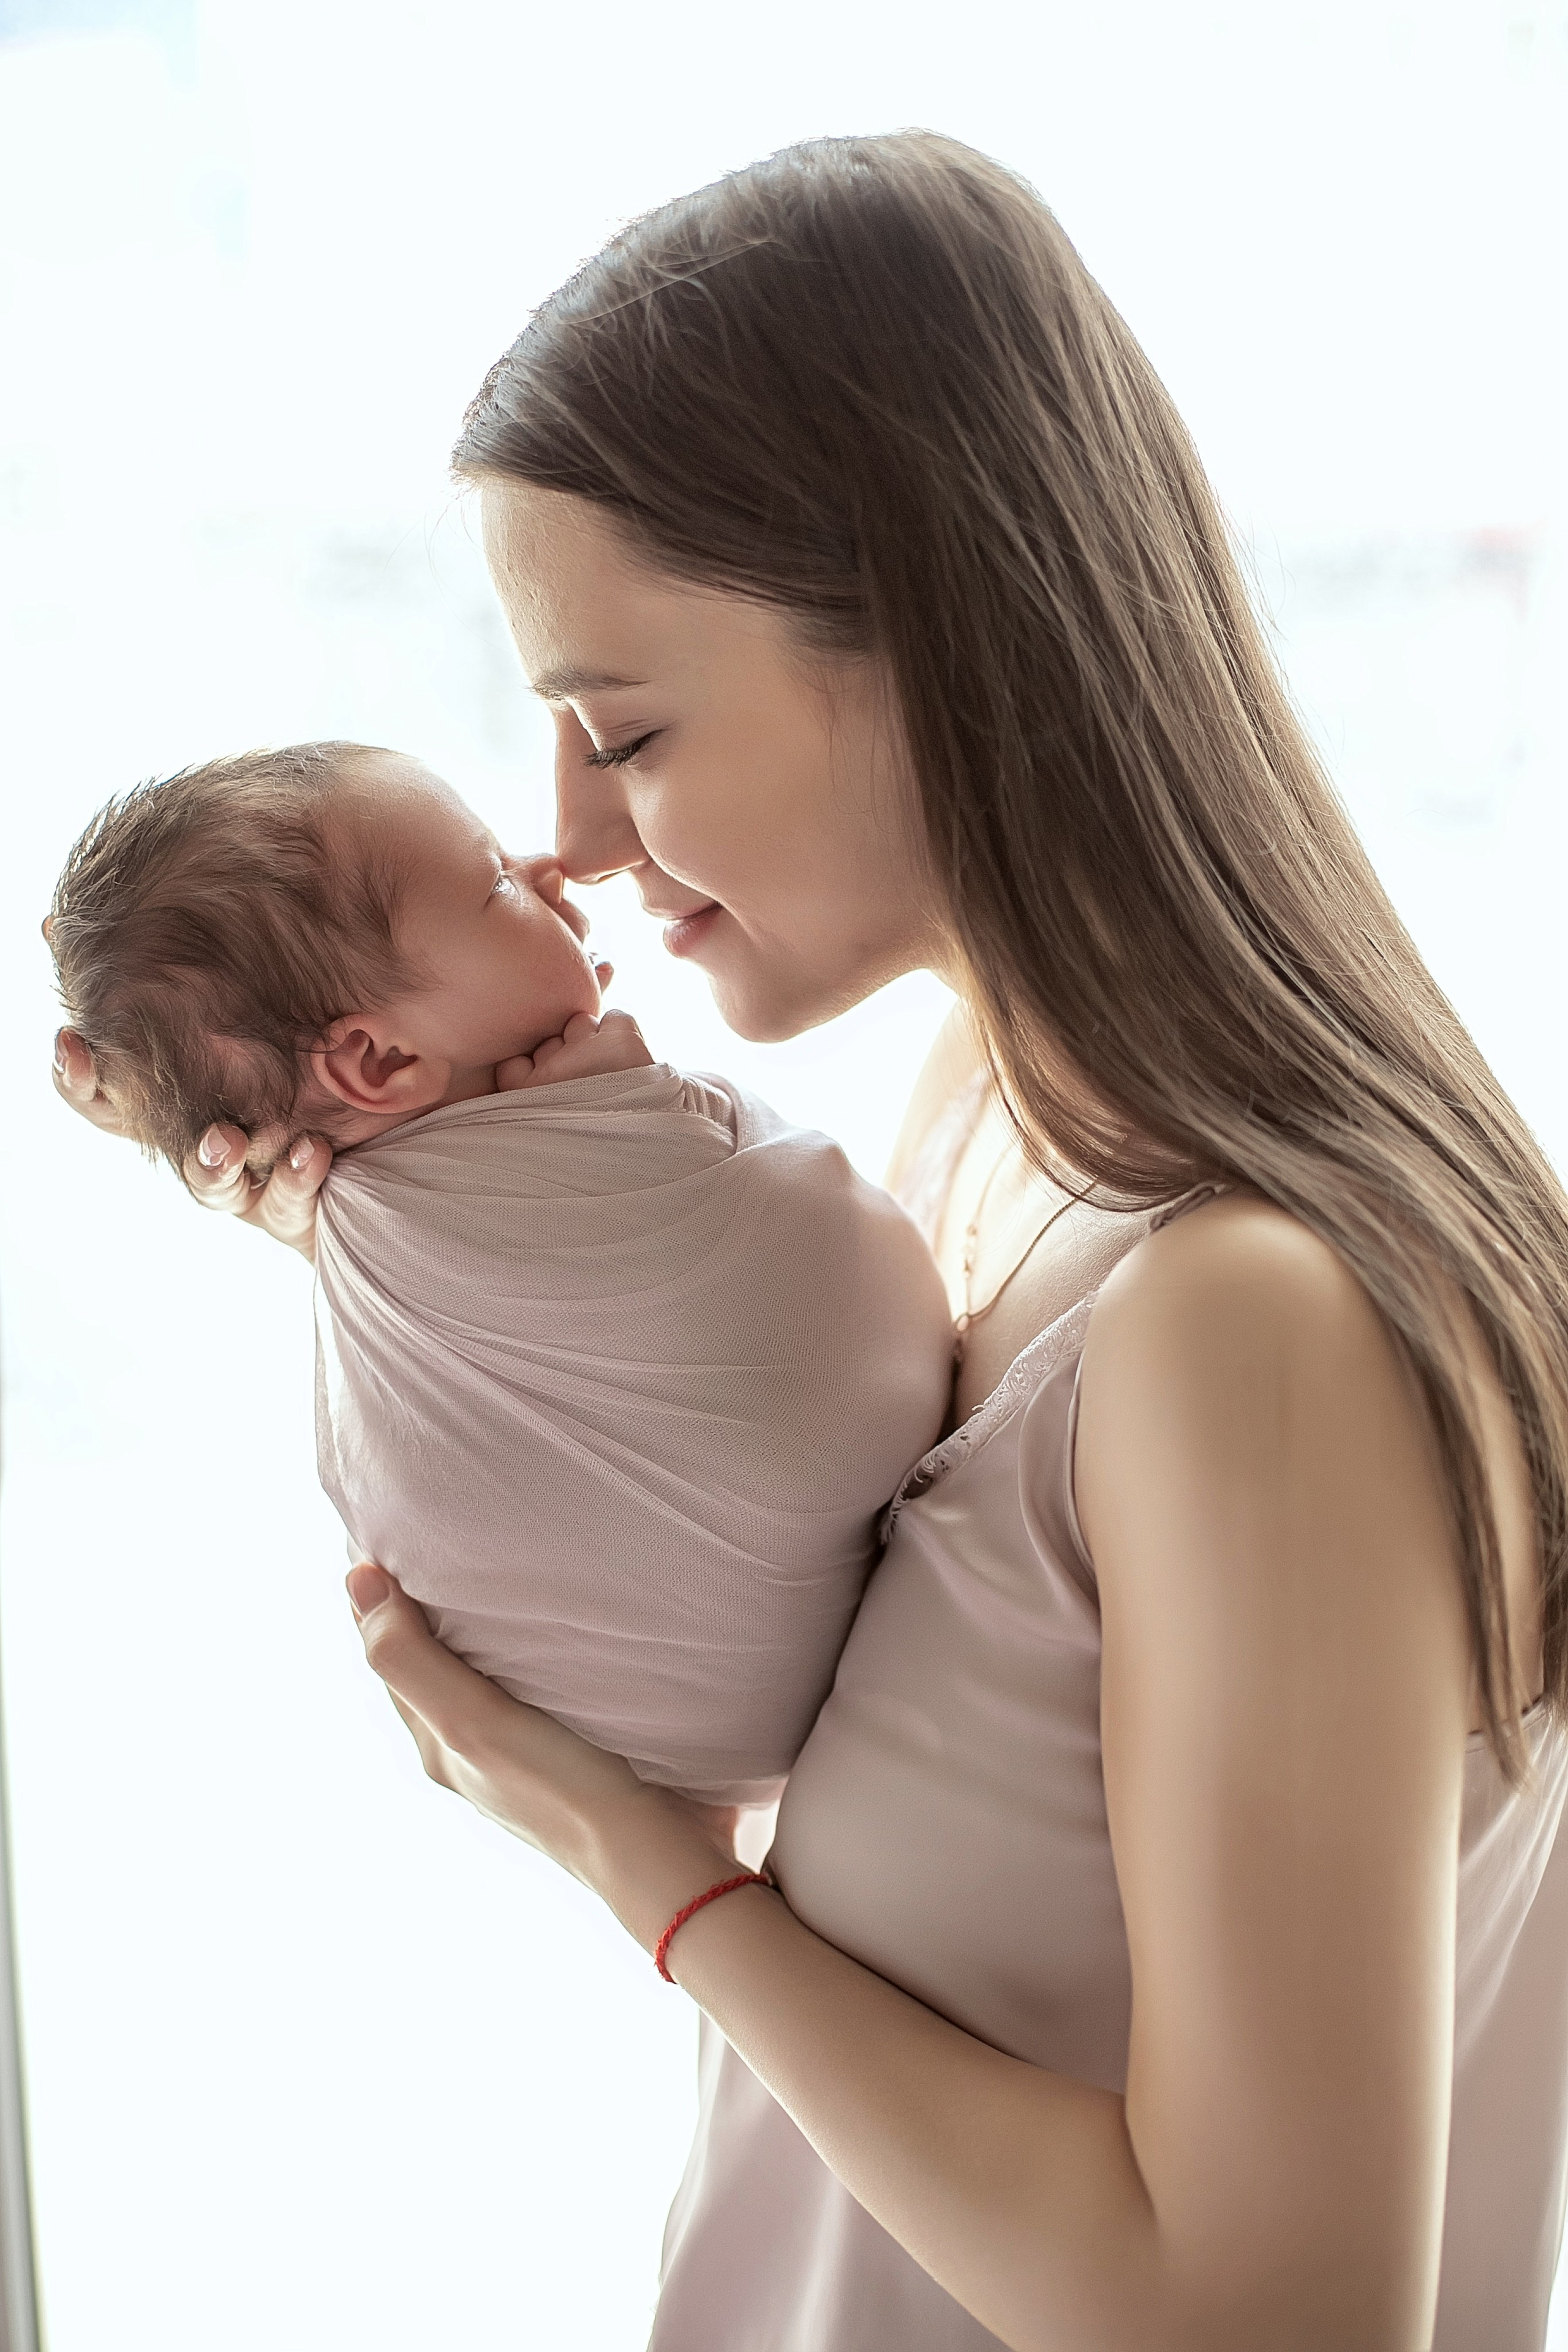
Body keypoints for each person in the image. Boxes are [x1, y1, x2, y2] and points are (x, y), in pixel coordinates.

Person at [55, 131, 1568, 2350]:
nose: (561, 838)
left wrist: (648, 1873)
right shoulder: (996, 1141)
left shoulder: (1253, 1324)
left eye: (623, 727)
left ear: (943, 638)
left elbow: (1279, 2315)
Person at [46, 742, 950, 1802]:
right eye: (494, 886)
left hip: (661, 1749)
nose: (550, 869)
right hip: (745, 1662)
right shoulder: (518, 1163)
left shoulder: (356, 1203)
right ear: (377, 1062)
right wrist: (629, 1103)